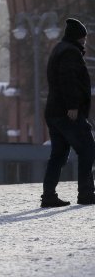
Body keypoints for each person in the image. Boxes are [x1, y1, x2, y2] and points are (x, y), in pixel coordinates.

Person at [41, 18, 95, 207]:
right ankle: (86, 193)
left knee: (58, 154)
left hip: (54, 111)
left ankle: (48, 195)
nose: (85, 41)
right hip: (67, 113)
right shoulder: (70, 53)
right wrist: (73, 106)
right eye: (83, 37)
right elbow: (68, 79)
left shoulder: (60, 49)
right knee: (88, 148)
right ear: (77, 37)